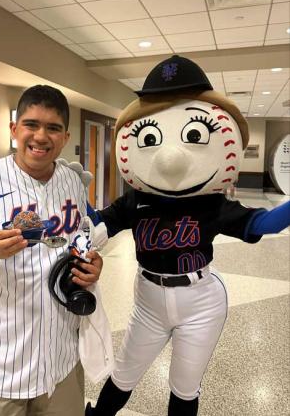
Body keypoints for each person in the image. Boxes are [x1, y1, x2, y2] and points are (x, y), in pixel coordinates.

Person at [85, 56, 290, 416]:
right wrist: (74, 195)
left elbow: (264, 225)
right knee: (123, 375)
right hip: (148, 300)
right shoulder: (137, 200)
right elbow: (97, 228)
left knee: (184, 387)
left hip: (201, 302)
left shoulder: (210, 203)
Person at [0, 85, 105, 416]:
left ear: (65, 137)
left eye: (53, 128)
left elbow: (80, 235)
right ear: (14, 129)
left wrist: (90, 262)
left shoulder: (71, 182)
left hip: (61, 357)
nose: (41, 136)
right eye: (31, 124)